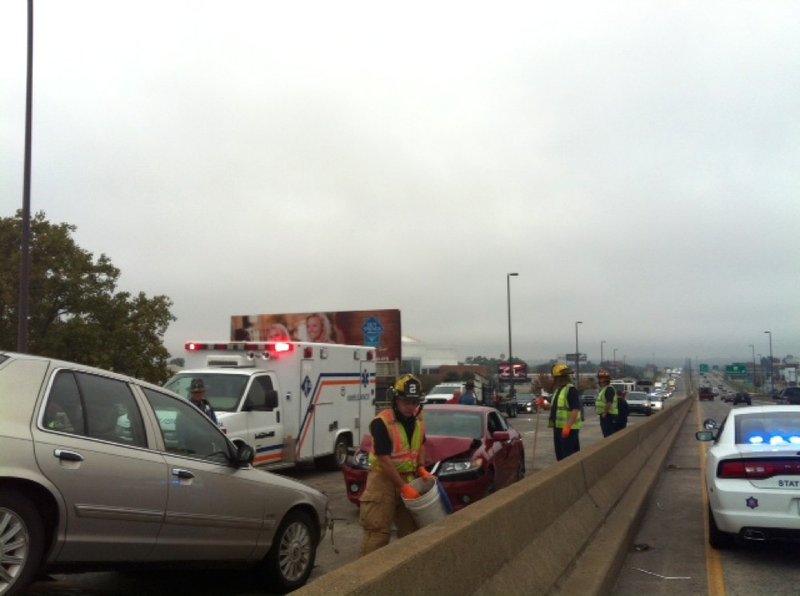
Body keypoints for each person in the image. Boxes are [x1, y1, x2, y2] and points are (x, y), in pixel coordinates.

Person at [360, 374, 433, 556]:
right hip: (382, 481)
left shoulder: (418, 419)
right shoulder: (382, 422)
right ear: (396, 400)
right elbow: (383, 458)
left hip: (408, 479)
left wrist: (421, 467)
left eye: (414, 402)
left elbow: (421, 443)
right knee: (377, 534)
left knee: (410, 533)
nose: (410, 407)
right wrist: (402, 486)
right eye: (406, 402)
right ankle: (368, 577)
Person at [548, 363, 583, 460]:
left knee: (568, 457)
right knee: (560, 456)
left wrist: (567, 427)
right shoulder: (559, 390)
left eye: (554, 377)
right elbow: (556, 407)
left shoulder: (571, 390)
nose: (553, 380)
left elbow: (575, 410)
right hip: (558, 428)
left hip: (568, 430)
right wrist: (544, 405)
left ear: (558, 378)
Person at [595, 369, 618, 437]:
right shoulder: (604, 389)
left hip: (608, 415)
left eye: (600, 379)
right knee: (606, 434)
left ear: (604, 380)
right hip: (606, 415)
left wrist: (604, 413)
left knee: (608, 435)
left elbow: (609, 403)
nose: (599, 381)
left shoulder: (609, 389)